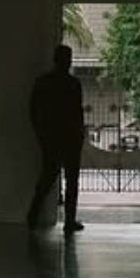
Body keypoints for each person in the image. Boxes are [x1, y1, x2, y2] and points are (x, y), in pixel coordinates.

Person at [26, 42, 87, 234]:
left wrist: (41, 133)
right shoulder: (73, 83)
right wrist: (80, 133)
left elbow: (34, 110)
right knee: (69, 181)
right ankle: (68, 221)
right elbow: (77, 112)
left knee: (48, 178)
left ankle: (33, 216)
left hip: (54, 137)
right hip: (68, 137)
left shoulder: (44, 82)